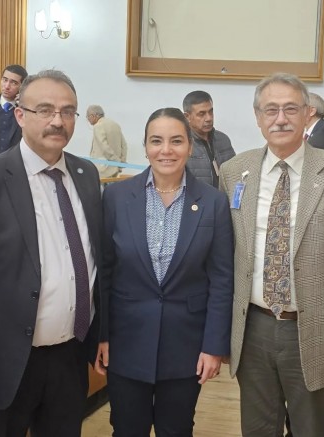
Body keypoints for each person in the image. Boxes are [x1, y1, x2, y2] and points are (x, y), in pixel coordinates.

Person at [219, 72, 324, 436]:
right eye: (270, 110)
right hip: (252, 327)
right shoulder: (234, 172)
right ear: (258, 117)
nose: (281, 119)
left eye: (291, 109)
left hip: (316, 329)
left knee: (312, 429)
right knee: (257, 429)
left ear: (308, 114)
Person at [0, 69, 101, 437]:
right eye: (44, 110)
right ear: (20, 115)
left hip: (71, 357)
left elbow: (98, 261)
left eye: (67, 111)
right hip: (4, 360)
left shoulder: (86, 174)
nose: (57, 120)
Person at [95, 107, 233, 436]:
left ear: (190, 146)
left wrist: (214, 346)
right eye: (156, 141)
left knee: (177, 429)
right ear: (145, 147)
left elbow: (222, 280)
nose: (166, 150)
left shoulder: (213, 202)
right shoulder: (116, 197)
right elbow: (105, 272)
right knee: (127, 429)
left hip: (186, 346)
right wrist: (101, 335)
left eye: (176, 141)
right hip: (126, 342)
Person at [183, 90, 235, 187]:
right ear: (187, 117)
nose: (209, 118)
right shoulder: (182, 144)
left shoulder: (223, 139)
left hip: (224, 195)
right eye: (201, 114)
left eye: (211, 112)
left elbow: (235, 173)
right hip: (197, 196)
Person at [85, 104, 128, 178]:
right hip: (115, 170)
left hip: (102, 171)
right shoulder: (115, 125)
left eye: (88, 117)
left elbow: (104, 147)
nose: (88, 120)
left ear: (93, 116)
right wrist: (121, 163)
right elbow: (124, 145)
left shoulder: (98, 126)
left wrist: (116, 161)